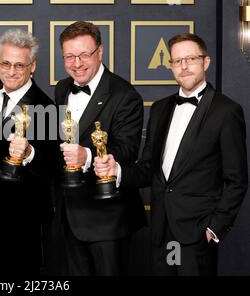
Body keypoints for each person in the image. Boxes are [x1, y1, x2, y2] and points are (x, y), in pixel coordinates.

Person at [93, 33, 248, 276]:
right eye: (177, 61)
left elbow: (237, 179)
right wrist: (117, 171)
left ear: (205, 62)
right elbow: (148, 167)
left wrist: (214, 228)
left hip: (198, 232)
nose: (184, 67)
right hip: (161, 229)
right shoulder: (160, 109)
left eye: (190, 59)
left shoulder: (227, 111)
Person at [54, 21, 146, 276]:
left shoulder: (125, 95)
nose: (77, 63)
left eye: (85, 54)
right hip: (70, 215)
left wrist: (88, 156)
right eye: (70, 56)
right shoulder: (62, 89)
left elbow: (127, 151)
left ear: (100, 52)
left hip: (108, 220)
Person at [0, 29, 56, 276]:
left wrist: (30, 153)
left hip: (25, 219)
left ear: (32, 66)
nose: (11, 72)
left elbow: (53, 165)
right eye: (5, 63)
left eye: (19, 65)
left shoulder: (45, 106)